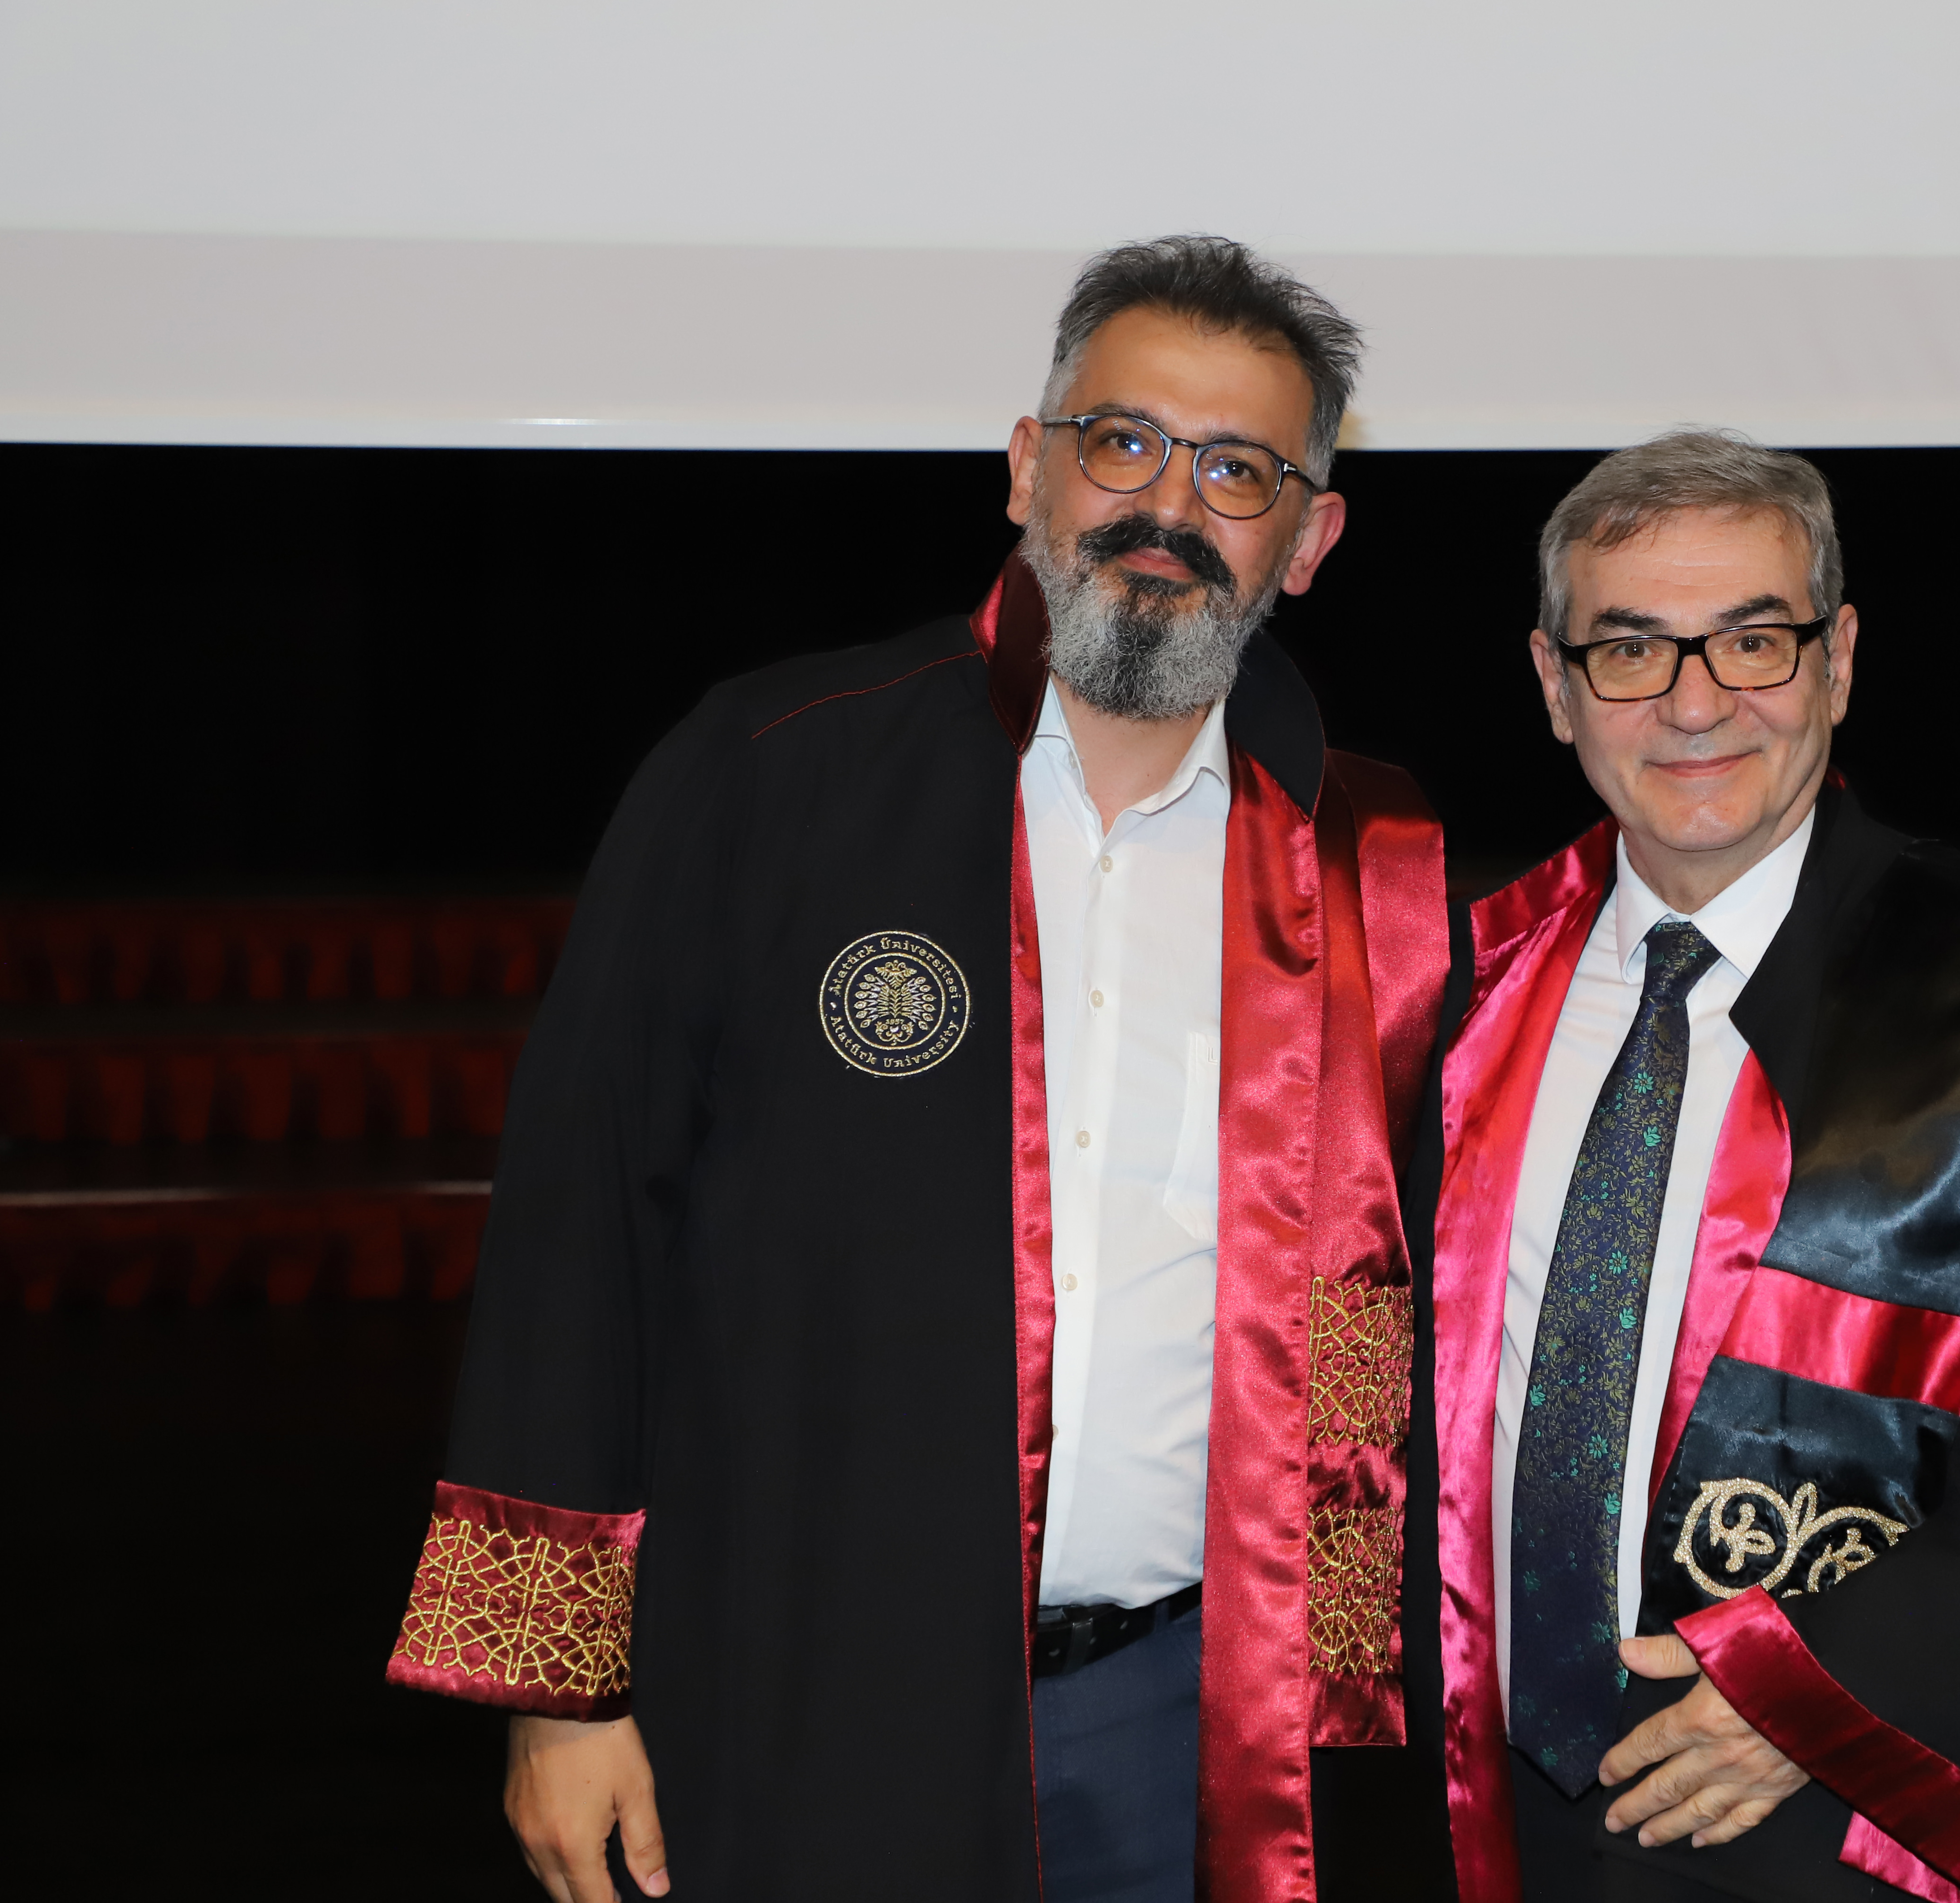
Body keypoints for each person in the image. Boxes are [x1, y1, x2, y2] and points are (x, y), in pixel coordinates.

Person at [386, 235, 1451, 1903]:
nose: (1167, 506)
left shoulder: (1370, 866)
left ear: (1308, 540)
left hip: (1183, 1725)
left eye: (1237, 469)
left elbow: (1395, 1305)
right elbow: (582, 1227)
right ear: (1028, 467)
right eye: (1123, 442)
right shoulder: (772, 770)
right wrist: (556, 1687)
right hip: (798, 1696)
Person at [1420, 432, 1960, 1903]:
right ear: (1553, 685)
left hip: (1854, 1808)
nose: (1694, 705)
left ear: (1839, 659)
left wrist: (1821, 1694)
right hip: (1493, 1812)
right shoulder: (1456, 995)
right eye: (1630, 650)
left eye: (1753, 642)